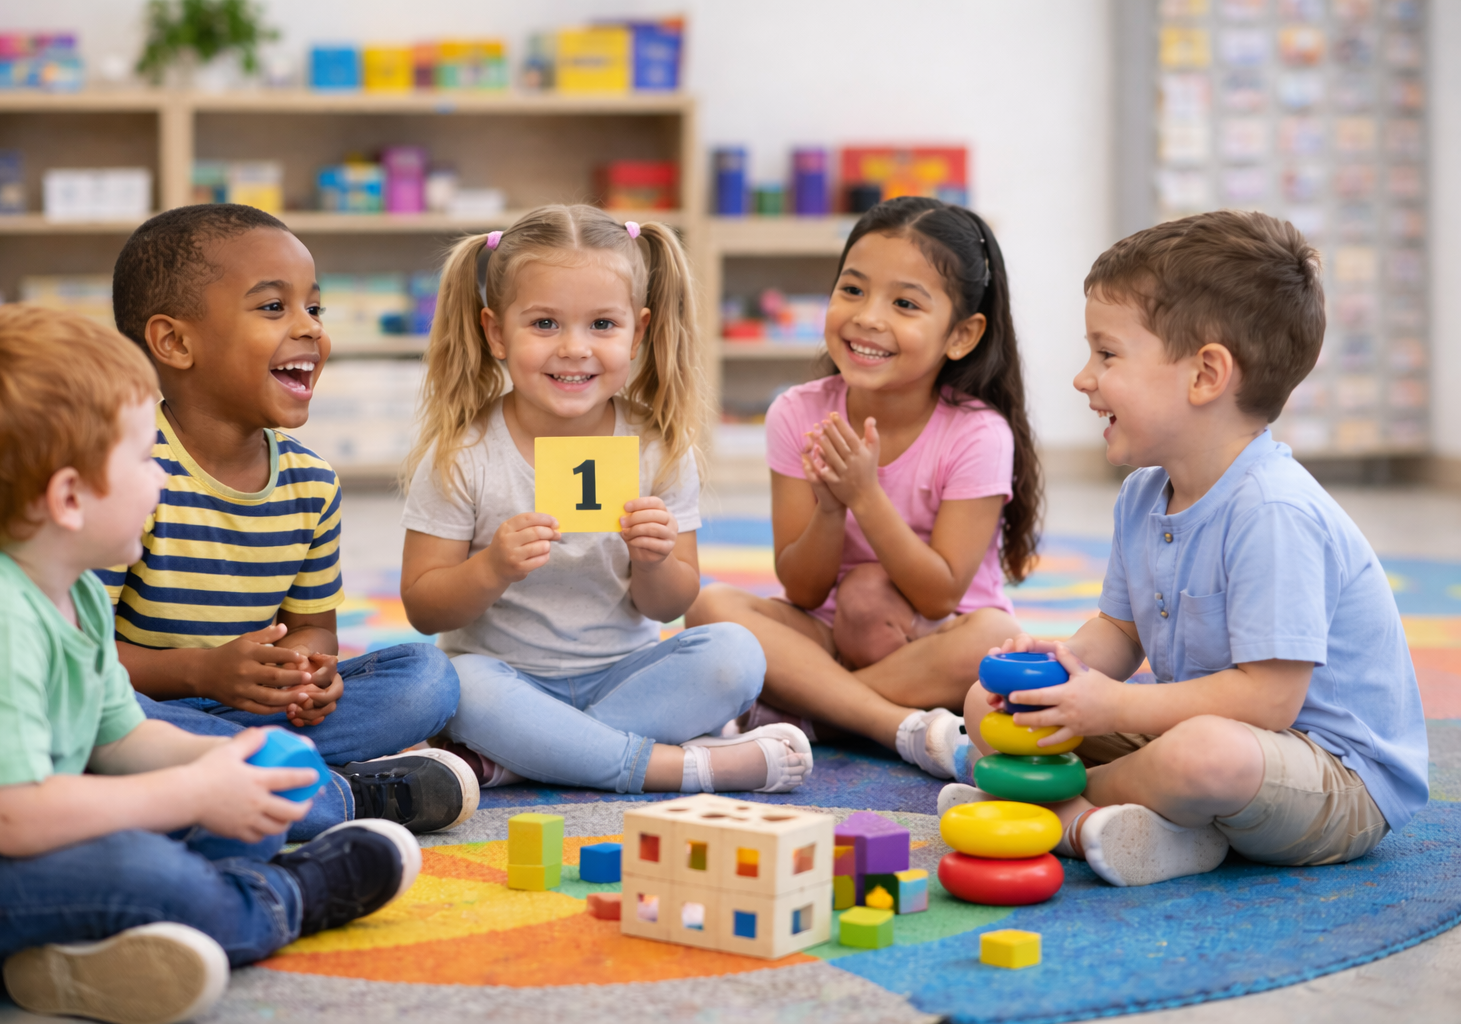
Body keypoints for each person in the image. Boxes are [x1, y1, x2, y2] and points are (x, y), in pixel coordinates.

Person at [0, 305, 422, 1024]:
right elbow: (14, 820)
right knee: (142, 866)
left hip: (24, 866)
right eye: (141, 459)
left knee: (210, 796)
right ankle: (286, 899)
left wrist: (224, 761)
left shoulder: (74, 592)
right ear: (68, 497)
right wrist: (193, 794)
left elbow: (120, 739)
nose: (160, 478)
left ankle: (83, 961)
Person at [945, 210, 1428, 886]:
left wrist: (1110, 709)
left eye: (1107, 354)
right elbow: (1120, 630)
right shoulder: (1145, 495)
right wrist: (1066, 667)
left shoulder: (1273, 511)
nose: (1084, 378)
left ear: (1205, 376)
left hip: (1335, 778)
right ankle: (1145, 825)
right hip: (1213, 733)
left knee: (1202, 754)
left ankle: (1062, 814)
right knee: (986, 703)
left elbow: (1268, 703)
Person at [399, 205, 809, 795]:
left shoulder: (658, 449)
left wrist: (655, 559)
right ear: (495, 333)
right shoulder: (463, 454)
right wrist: (490, 567)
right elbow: (424, 609)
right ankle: (685, 767)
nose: (573, 348)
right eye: (544, 324)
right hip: (507, 681)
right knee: (454, 684)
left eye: (602, 325)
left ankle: (530, 756)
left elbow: (666, 607)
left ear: (638, 332)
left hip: (626, 678)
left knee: (736, 653)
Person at [103, 204, 476, 840]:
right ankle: (334, 795)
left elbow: (314, 630)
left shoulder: (311, 482)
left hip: (248, 707)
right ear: (175, 342)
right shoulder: (129, 472)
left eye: (315, 308)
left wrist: (306, 674)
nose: (309, 329)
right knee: (85, 716)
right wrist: (202, 669)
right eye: (274, 308)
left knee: (428, 679)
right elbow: (81, 659)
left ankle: (243, 776)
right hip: (143, 706)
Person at [685, 197, 1032, 779]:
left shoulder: (978, 433)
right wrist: (829, 509)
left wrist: (866, 499)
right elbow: (801, 585)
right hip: (825, 635)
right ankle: (887, 720)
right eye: (852, 290)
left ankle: (819, 711)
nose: (868, 317)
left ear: (963, 335)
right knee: (710, 606)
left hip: (935, 641)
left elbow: (940, 595)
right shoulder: (798, 413)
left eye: (904, 303)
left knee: (996, 637)